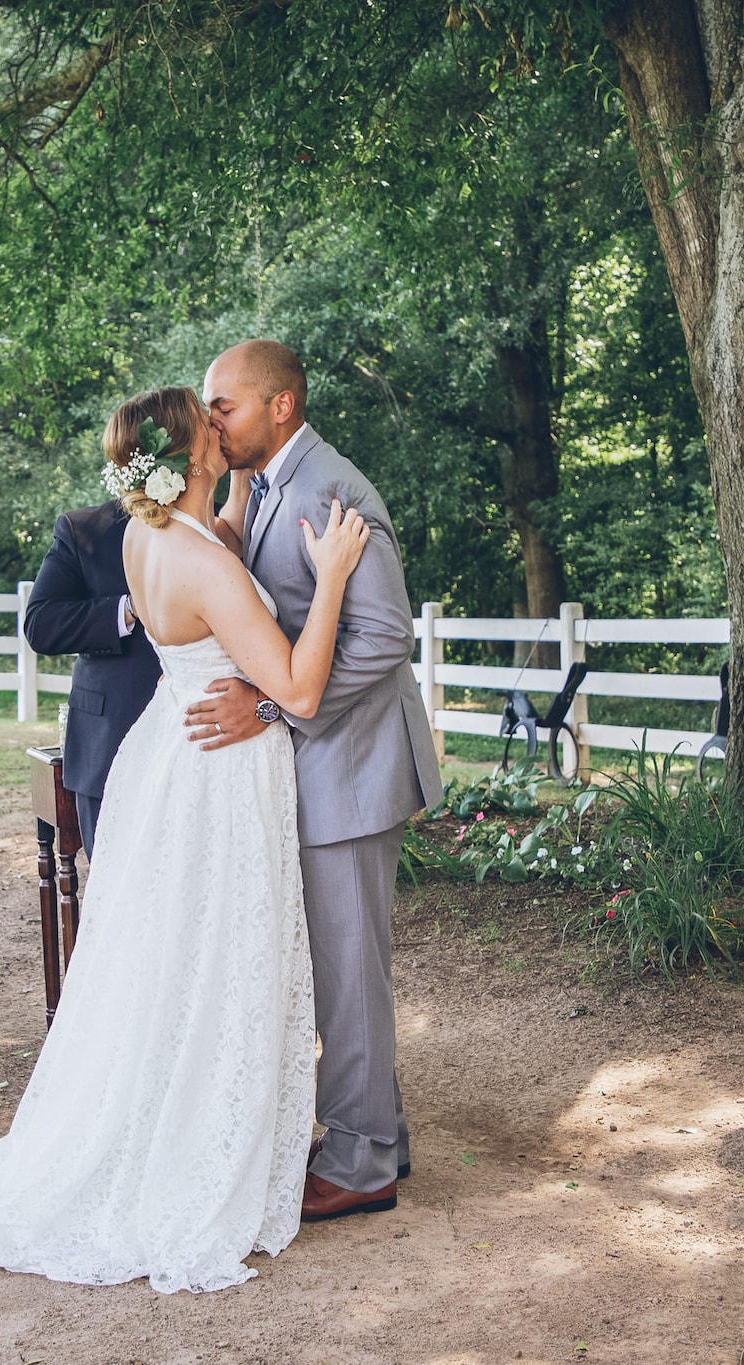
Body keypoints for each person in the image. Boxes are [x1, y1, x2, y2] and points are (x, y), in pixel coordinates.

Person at [0, 384, 374, 1293]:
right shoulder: (201, 561)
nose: (223, 423)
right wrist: (329, 579)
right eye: (210, 423)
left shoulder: (151, 535)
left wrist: (238, 508)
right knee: (218, 958)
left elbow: (219, 553)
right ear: (190, 456)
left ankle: (176, 1114)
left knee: (174, 961)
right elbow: (294, 689)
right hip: (218, 773)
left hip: (174, 750)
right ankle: (196, 1147)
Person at [189, 340, 443, 1219]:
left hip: (357, 764)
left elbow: (382, 636)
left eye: (225, 404)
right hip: (327, 764)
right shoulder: (264, 485)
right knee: (342, 966)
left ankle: (361, 1164)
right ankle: (383, 1138)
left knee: (349, 972)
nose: (211, 418)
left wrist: (271, 706)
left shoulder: (333, 489)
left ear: (282, 405)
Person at [22, 499, 162, 855]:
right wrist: (128, 609)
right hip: (107, 744)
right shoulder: (83, 529)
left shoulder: (223, 520)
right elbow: (41, 624)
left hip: (201, 736)